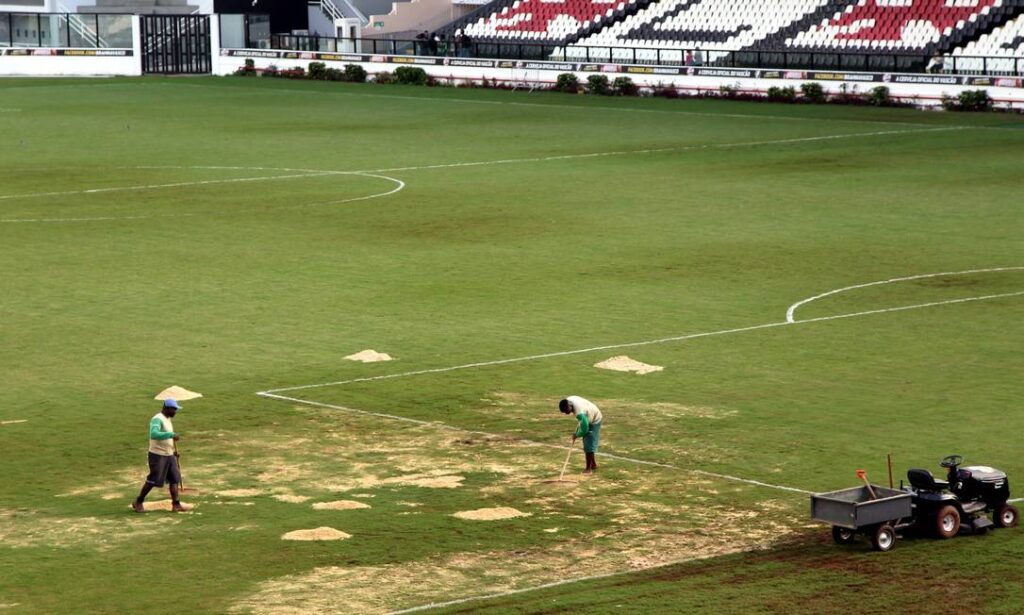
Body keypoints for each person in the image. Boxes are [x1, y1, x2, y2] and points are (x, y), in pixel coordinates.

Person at [132, 399, 185, 512]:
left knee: (174, 479)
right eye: (174, 409)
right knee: (153, 480)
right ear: (166, 408)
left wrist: (173, 452)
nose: (175, 412)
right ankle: (138, 501)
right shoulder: (157, 419)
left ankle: (176, 504)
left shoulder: (167, 419)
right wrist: (171, 434)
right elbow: (154, 434)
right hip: (157, 455)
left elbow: (165, 438)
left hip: (169, 454)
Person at [558, 396, 603, 474]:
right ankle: (593, 465)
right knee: (588, 442)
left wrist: (577, 434)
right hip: (588, 415)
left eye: (566, 411)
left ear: (569, 405)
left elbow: (585, 429)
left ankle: (588, 469)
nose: (566, 413)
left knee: (588, 444)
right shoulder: (569, 399)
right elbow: (583, 421)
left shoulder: (579, 412)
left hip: (595, 419)